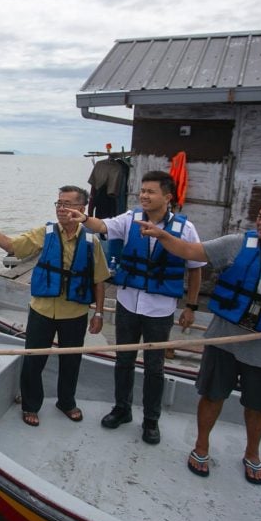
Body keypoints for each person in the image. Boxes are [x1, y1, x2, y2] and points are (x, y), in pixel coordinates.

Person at [136, 193, 261, 484]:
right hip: (223, 341)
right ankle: (201, 446)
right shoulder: (237, 245)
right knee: (212, 395)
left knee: (258, 406)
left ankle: (252, 453)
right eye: (260, 216)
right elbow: (190, 250)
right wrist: (162, 235)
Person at [68, 171, 204, 445]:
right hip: (128, 303)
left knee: (155, 367)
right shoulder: (129, 219)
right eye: (142, 191)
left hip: (161, 309)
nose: (144, 196)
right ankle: (122, 409)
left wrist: (190, 306)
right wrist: (84, 218)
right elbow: (102, 225)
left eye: (151, 191)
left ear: (167, 197)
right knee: (124, 360)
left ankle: (151, 420)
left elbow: (196, 269)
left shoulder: (185, 229)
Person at [0, 186, 110, 427]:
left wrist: (98, 313)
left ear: (81, 209)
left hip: (75, 313)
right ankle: (30, 405)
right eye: (58, 204)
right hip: (42, 310)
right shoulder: (44, 234)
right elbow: (10, 245)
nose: (61, 209)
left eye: (67, 204)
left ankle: (66, 402)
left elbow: (99, 280)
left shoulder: (91, 241)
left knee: (71, 361)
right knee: (34, 359)